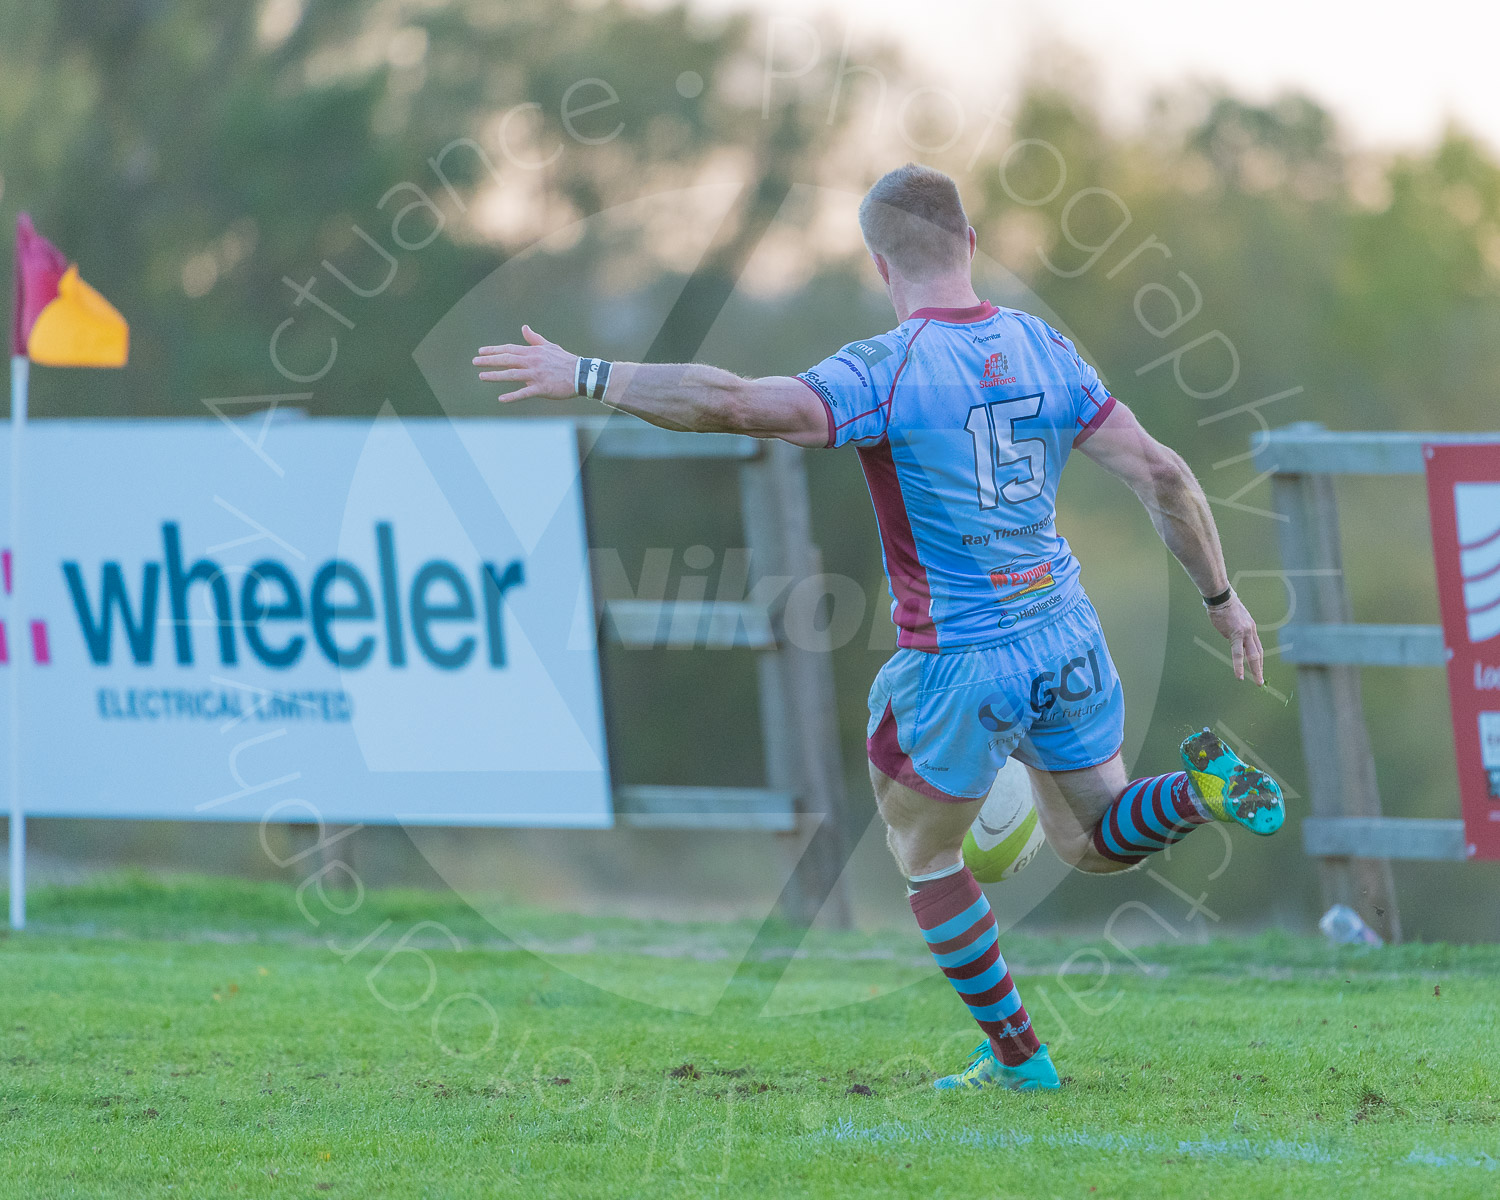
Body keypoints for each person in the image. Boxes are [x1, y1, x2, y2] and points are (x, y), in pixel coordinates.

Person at [473, 162, 1283, 1093]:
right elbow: (1164, 474)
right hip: (1065, 629)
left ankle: (1020, 1061)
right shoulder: (1044, 345)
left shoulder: (887, 368)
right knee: (1093, 839)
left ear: (878, 263)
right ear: (970, 244)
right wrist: (1222, 600)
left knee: (923, 853)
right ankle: (1200, 795)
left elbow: (733, 403)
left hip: (959, 658)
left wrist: (586, 372)